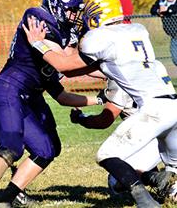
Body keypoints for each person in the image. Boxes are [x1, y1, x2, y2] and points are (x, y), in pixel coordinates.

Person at [23, 0, 177, 208]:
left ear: (96, 15)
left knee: (106, 155)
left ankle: (146, 203)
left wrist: (38, 44)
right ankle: (165, 190)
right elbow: (78, 70)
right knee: (173, 174)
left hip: (153, 110)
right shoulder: (136, 31)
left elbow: (63, 65)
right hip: (173, 107)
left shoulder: (99, 38)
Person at [0, 0, 102, 208]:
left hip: (31, 97)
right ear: (56, 6)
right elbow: (67, 60)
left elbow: (63, 93)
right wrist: (103, 66)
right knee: (11, 147)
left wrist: (106, 84)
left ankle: (7, 198)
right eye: (72, 9)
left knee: (48, 148)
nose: (75, 15)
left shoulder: (63, 37)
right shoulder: (36, 16)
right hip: (9, 89)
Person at [70, 60, 176, 199]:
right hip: (171, 119)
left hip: (151, 128)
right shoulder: (156, 65)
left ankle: (154, 178)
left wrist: (81, 118)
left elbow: (104, 121)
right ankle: (169, 185)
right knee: (171, 167)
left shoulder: (122, 75)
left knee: (115, 179)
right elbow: (97, 68)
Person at [150, 0, 177, 66]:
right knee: (175, 58)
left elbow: (173, 9)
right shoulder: (161, 1)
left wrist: (166, 11)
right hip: (173, 35)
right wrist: (158, 11)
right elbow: (152, 10)